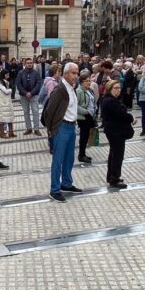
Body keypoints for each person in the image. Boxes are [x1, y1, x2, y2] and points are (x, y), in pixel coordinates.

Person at [42, 63, 82, 202]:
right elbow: (49, 112)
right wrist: (52, 131)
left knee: (69, 158)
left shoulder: (73, 88)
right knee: (57, 160)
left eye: (77, 73)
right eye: (73, 73)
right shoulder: (60, 89)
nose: (76, 76)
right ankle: (54, 189)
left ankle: (66, 183)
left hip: (72, 127)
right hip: (61, 128)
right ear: (65, 74)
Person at [99, 79, 134, 189]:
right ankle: (114, 178)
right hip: (115, 131)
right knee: (117, 155)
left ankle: (111, 176)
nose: (118, 90)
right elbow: (121, 114)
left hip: (114, 130)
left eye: (119, 88)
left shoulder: (111, 99)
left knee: (114, 154)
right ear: (109, 89)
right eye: (115, 88)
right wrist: (131, 118)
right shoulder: (110, 101)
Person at [15, 58, 44, 136]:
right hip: (23, 96)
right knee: (26, 112)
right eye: (28, 63)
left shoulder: (36, 73)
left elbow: (39, 83)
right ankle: (29, 128)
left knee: (35, 111)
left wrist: (31, 93)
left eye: (31, 63)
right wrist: (25, 93)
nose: (29, 64)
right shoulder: (20, 73)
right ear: (25, 64)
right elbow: (18, 84)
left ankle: (36, 129)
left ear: (33, 64)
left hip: (34, 95)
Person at [75, 73, 98, 164]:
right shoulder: (79, 91)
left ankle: (83, 154)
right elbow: (75, 106)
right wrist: (86, 112)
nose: (89, 82)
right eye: (86, 81)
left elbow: (93, 101)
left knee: (87, 135)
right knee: (84, 136)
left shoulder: (90, 90)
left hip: (90, 116)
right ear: (81, 82)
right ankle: (81, 155)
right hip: (83, 117)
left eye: (89, 80)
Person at [0, 71, 16, 139]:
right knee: (2, 118)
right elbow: (6, 91)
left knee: (10, 117)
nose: (8, 76)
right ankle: (2, 133)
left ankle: (11, 132)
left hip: (7, 102)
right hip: (2, 102)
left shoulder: (5, 82)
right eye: (7, 75)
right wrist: (10, 90)